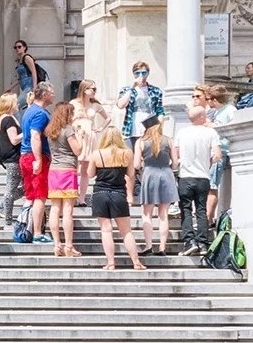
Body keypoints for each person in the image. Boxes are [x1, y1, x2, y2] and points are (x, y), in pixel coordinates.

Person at [82, 128, 145, 271]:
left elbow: (90, 174)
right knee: (126, 231)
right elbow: (130, 174)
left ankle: (110, 263)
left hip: (100, 193)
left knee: (106, 230)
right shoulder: (127, 153)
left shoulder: (96, 154)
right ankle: (136, 262)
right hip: (119, 194)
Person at [175, 92, 222, 256]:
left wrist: (178, 164)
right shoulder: (210, 133)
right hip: (203, 176)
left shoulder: (182, 133)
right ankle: (203, 243)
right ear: (202, 116)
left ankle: (189, 241)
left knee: (186, 209)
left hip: (185, 176)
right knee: (201, 210)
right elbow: (218, 155)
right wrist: (208, 162)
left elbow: (176, 155)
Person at [133, 115, 178, 255]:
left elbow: (135, 165)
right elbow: (175, 163)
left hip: (149, 175)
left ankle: (148, 245)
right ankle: (162, 247)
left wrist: (142, 162)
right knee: (163, 214)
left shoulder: (140, 142)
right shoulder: (168, 140)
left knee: (147, 214)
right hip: (166, 174)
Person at [45, 101, 82, 258]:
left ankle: (56, 244)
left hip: (54, 170)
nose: (73, 116)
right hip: (67, 170)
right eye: (71, 113)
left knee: (55, 208)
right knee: (67, 210)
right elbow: (78, 150)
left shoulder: (50, 130)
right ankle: (68, 245)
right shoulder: (68, 130)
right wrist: (81, 136)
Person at [19, 82, 55, 243]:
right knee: (40, 195)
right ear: (45, 94)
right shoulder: (40, 114)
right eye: (52, 92)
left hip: (24, 155)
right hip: (34, 156)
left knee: (30, 194)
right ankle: (37, 232)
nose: (54, 95)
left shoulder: (29, 110)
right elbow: (35, 135)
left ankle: (25, 228)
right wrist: (39, 159)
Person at [0, 92, 23, 227]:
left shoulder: (0, 119)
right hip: (13, 158)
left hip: (8, 158)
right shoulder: (8, 120)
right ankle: (8, 221)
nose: (17, 104)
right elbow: (14, 140)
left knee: (26, 186)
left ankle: (1, 205)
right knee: (11, 190)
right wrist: (28, 131)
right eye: (15, 101)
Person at [115, 62, 163, 148]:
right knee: (131, 158)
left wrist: (158, 129)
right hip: (131, 131)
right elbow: (120, 105)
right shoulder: (126, 89)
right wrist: (132, 87)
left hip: (149, 131)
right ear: (133, 74)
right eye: (137, 73)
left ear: (148, 74)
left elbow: (160, 111)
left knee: (147, 159)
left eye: (143, 73)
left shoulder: (156, 90)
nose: (140, 75)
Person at [10, 39, 39, 111]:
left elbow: (33, 72)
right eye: (15, 47)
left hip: (29, 87)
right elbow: (19, 78)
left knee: (15, 107)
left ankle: (16, 122)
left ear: (24, 47)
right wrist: (10, 88)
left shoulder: (27, 58)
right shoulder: (19, 61)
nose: (17, 49)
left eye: (19, 47)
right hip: (24, 87)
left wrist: (35, 87)